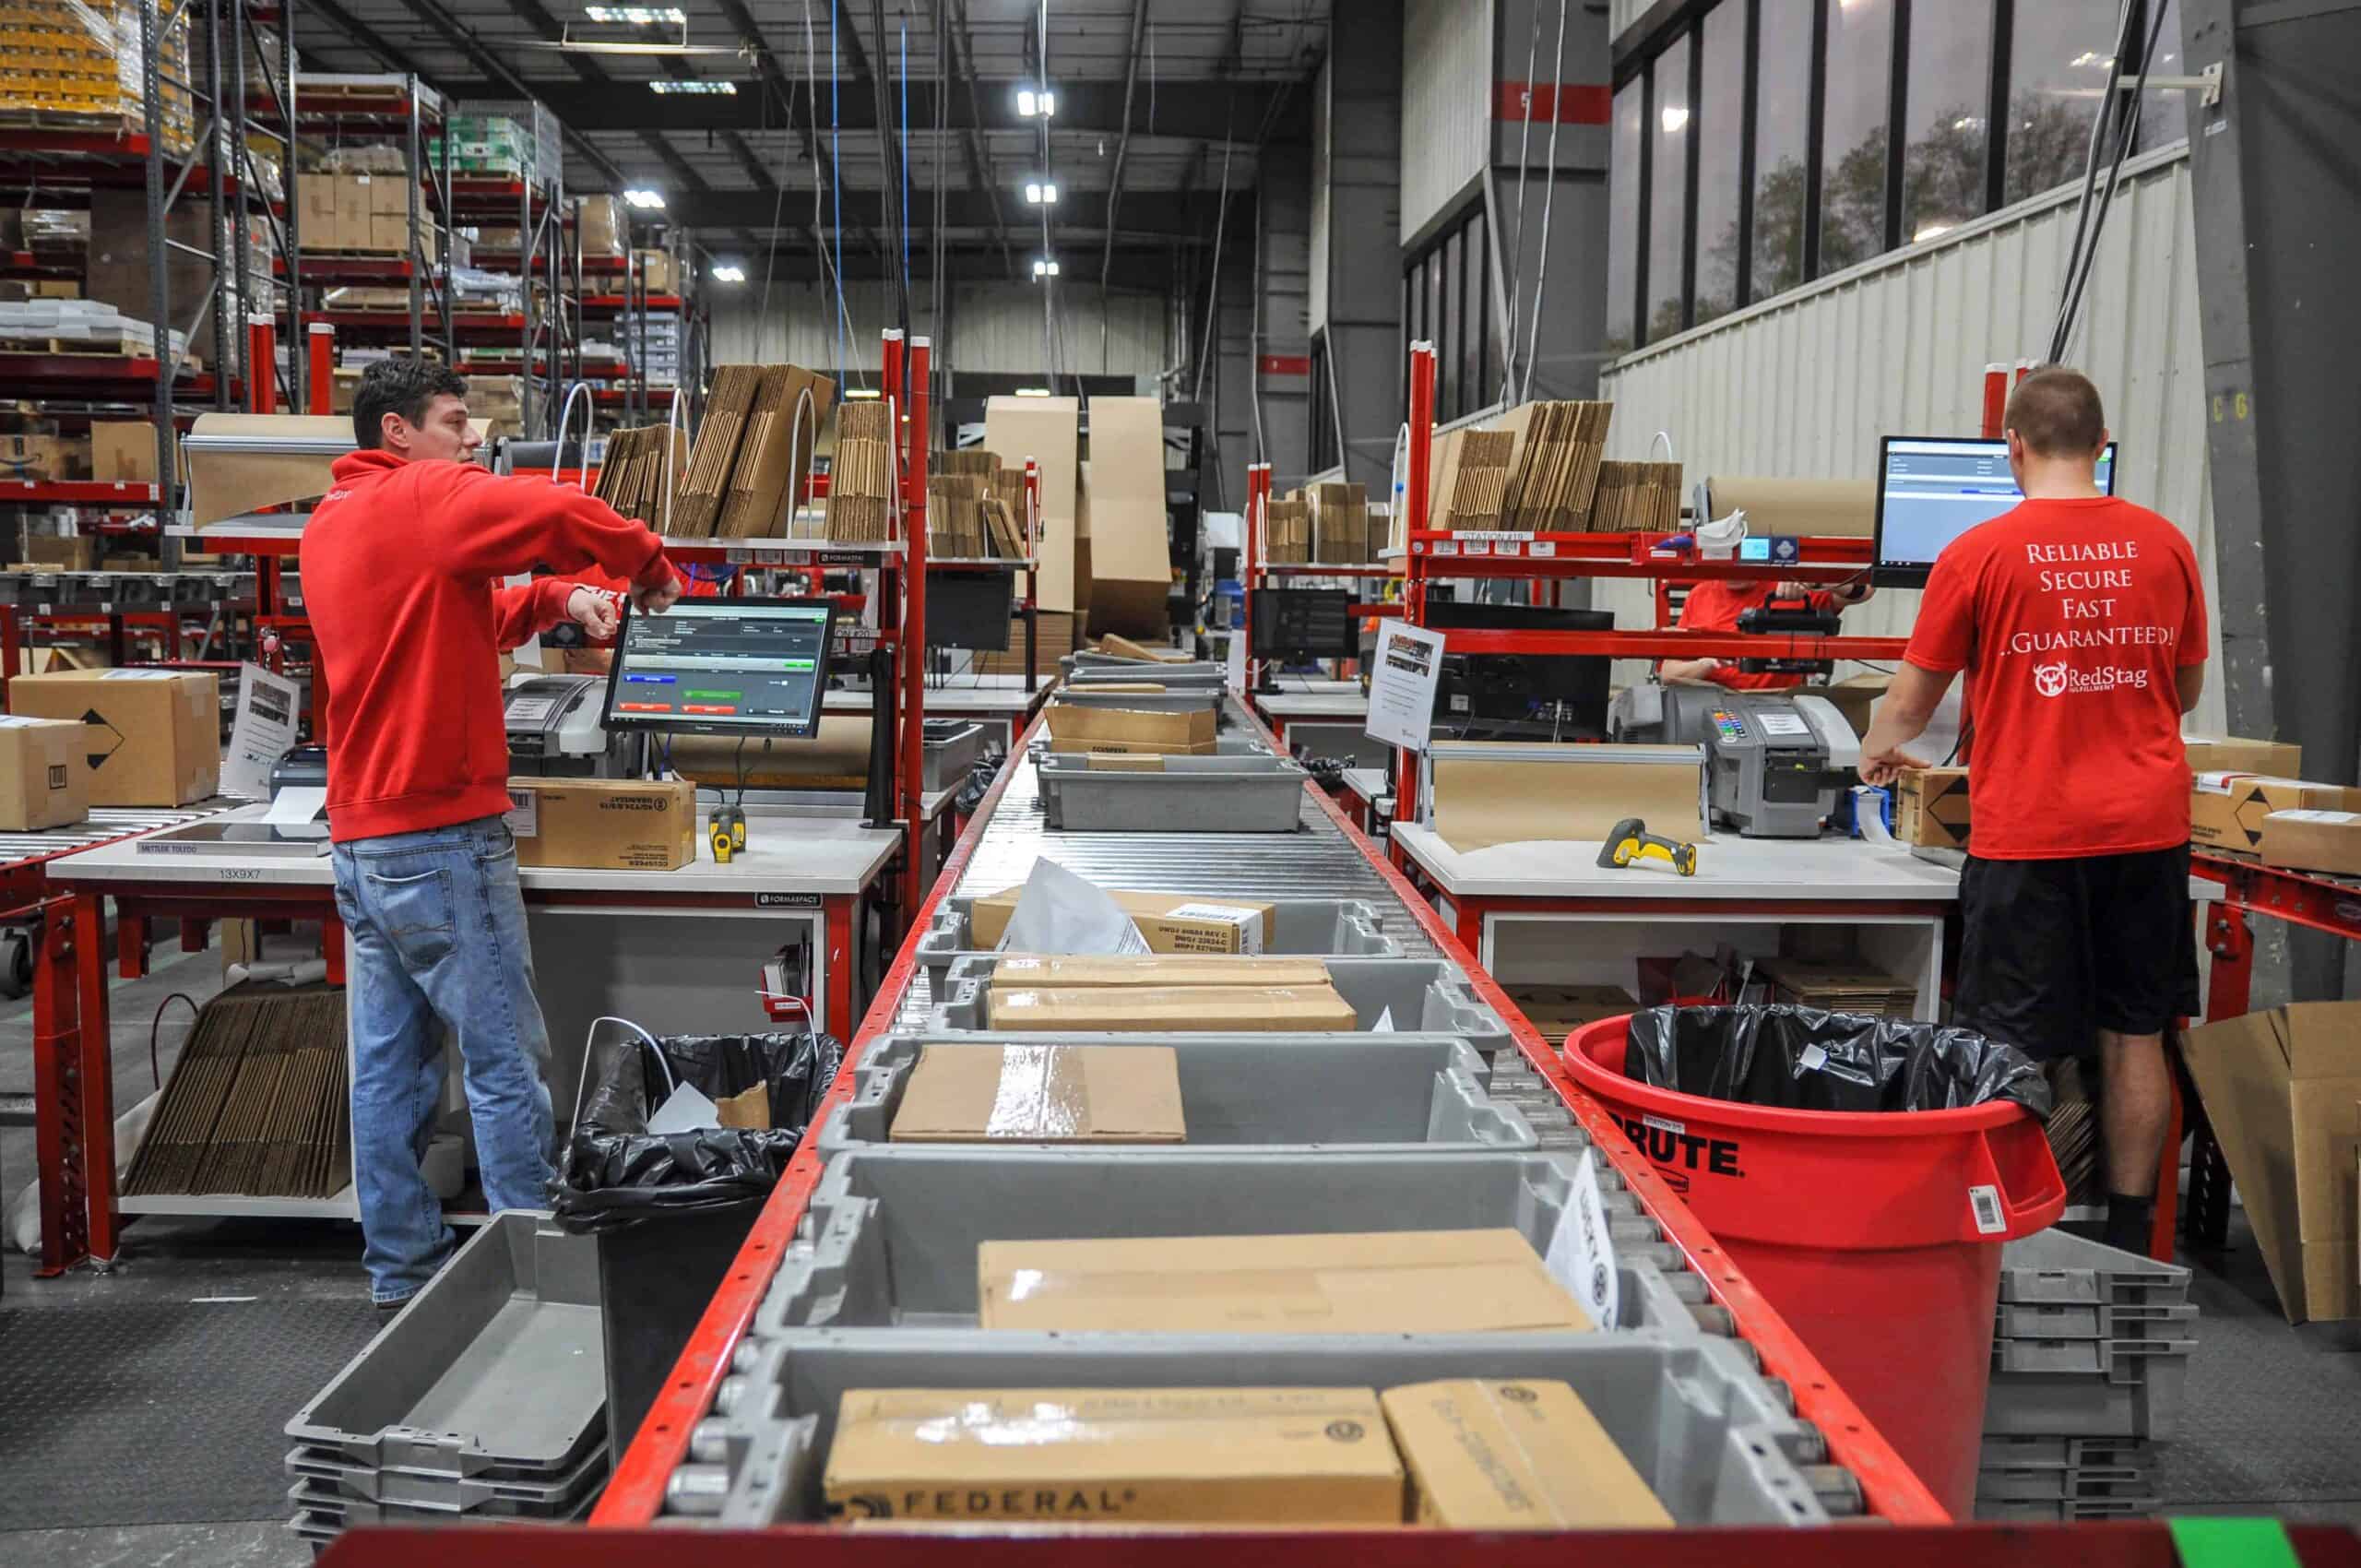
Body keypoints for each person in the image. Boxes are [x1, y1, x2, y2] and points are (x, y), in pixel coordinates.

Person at [305, 359, 683, 1308]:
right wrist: (645, 566)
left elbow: (458, 613)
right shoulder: (428, 493)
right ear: (398, 433)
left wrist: (559, 600)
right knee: (506, 1063)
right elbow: (559, 513)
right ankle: (536, 1278)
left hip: (361, 842)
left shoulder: (334, 520)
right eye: (452, 419)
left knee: (389, 1071)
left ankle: (402, 1273)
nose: (470, 436)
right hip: (442, 838)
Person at [1857, 365, 2207, 1256]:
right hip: (2148, 829)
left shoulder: (1978, 554)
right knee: (2136, 1037)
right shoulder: (2166, 546)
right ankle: (2129, 1250)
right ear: (2100, 443)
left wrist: (1876, 748)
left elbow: (1907, 707)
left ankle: (2000, 1240)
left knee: (2004, 1045)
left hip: (2033, 834)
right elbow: (2187, 687)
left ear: (2013, 446)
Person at [1659, 575, 1873, 690]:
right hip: (1715, 704)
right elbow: (1669, 673)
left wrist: (1815, 580)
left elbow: (1864, 591)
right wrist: (1706, 663)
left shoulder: (1790, 587)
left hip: (1779, 704)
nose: (1735, 568)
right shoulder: (1700, 595)